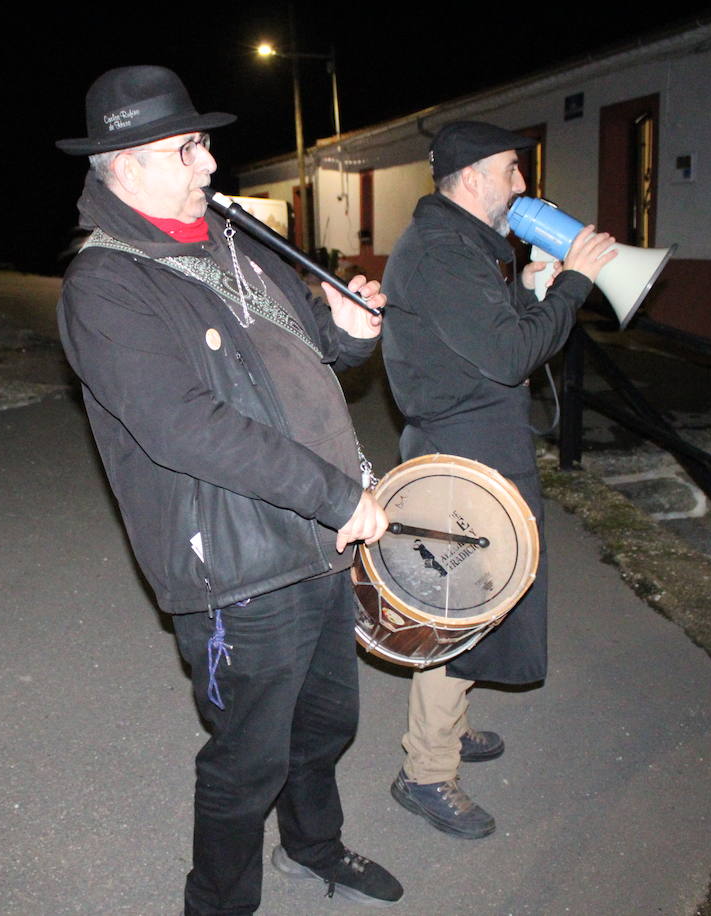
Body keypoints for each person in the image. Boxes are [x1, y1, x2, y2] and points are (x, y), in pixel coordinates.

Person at [55, 65, 403, 914]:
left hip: (319, 540)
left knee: (324, 729)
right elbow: (184, 426)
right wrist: (334, 496)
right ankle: (218, 903)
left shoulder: (230, 241)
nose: (208, 165)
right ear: (126, 163)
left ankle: (314, 848)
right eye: (186, 149)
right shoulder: (106, 285)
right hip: (238, 567)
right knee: (248, 761)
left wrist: (349, 333)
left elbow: (307, 342)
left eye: (202, 142)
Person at [379, 121, 615, 839]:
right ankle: (427, 770)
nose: (521, 185)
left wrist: (536, 286)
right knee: (460, 609)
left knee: (485, 598)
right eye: (512, 170)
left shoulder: (459, 248)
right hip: (463, 455)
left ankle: (446, 728)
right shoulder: (444, 253)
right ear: (475, 176)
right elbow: (510, 355)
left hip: (479, 444)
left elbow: (482, 334)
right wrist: (571, 285)